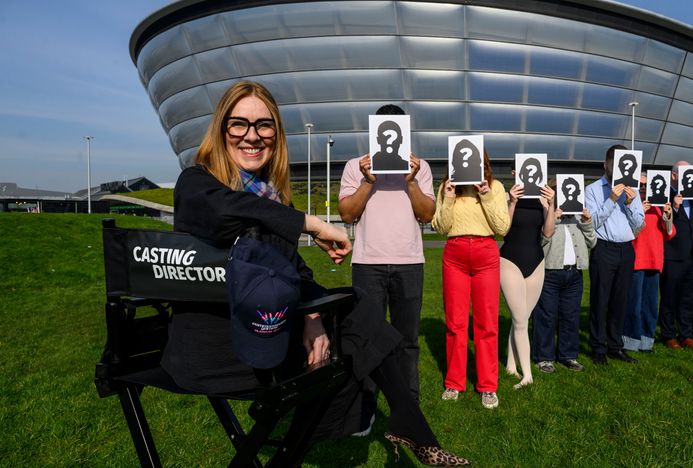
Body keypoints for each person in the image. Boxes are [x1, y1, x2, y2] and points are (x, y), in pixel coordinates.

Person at [164, 81, 469, 466]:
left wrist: (312, 318)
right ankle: (389, 423)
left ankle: (401, 421)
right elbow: (230, 210)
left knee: (355, 312)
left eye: (265, 126)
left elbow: (293, 269)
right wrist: (310, 223)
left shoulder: (269, 195)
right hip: (220, 348)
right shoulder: (198, 184)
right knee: (356, 331)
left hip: (268, 329)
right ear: (221, 129)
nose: (252, 136)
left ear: (276, 134)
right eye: (239, 124)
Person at [338, 103, 435, 435]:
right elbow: (348, 214)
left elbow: (427, 214)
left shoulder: (419, 169)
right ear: (375, 131)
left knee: (407, 340)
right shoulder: (355, 166)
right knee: (365, 340)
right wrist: (368, 182)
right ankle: (365, 410)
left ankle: (409, 410)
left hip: (409, 263)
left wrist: (410, 183)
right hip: (368, 264)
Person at [432, 149, 510, 409]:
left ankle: (488, 386)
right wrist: (450, 197)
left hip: (486, 254)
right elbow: (440, 227)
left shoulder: (495, 187)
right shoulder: (446, 186)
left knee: (486, 323)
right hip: (454, 254)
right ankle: (455, 382)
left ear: (483, 162)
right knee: (455, 322)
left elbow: (502, 227)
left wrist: (486, 196)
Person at [584, 145, 645, 365]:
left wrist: (629, 203)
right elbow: (593, 223)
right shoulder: (592, 190)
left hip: (626, 249)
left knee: (621, 300)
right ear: (606, 164)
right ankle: (598, 347)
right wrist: (611, 199)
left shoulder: (633, 191)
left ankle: (615, 346)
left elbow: (639, 223)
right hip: (603, 249)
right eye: (615, 163)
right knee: (600, 300)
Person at [531, 179, 596, 373]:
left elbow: (592, 242)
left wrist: (586, 222)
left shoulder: (577, 217)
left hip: (574, 273)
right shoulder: (547, 214)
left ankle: (568, 355)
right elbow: (542, 240)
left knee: (571, 315)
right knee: (546, 315)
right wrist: (554, 217)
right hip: (551, 272)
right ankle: (544, 357)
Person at [500, 178, 555, 389]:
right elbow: (503, 230)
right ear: (515, 172)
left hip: (536, 262)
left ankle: (511, 366)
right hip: (509, 261)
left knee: (521, 318)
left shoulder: (543, 199)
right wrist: (512, 202)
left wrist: (550, 206)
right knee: (520, 320)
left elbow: (548, 232)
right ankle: (528, 375)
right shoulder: (507, 197)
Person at [660, 161, 693, 350]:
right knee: (670, 297)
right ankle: (668, 334)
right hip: (674, 255)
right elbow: (663, 223)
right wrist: (674, 209)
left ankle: (685, 334)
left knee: (689, 298)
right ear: (674, 175)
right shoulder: (664, 194)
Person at [622, 173, 675, 353]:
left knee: (651, 304)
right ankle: (630, 340)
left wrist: (668, 216)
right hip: (636, 261)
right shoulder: (629, 206)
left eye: (646, 185)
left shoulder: (660, 207)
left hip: (655, 261)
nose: (643, 188)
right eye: (640, 185)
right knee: (633, 303)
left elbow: (670, 233)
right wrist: (640, 214)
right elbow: (627, 233)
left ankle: (647, 341)